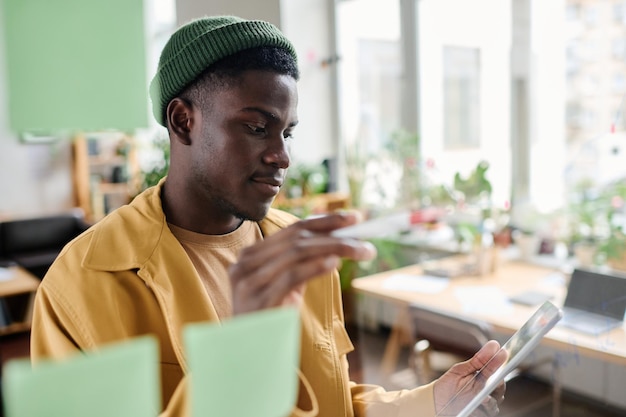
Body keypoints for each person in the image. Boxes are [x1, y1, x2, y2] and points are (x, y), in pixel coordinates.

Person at [30, 15, 505, 417]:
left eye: (287, 132)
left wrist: (432, 402)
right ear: (182, 121)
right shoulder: (83, 284)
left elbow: (332, 402)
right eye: (257, 128)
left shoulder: (296, 251)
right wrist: (240, 354)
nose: (282, 156)